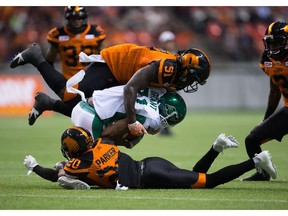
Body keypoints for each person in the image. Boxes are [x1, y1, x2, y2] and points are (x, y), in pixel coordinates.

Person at [10, 42, 211, 136]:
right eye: (193, 78)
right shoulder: (167, 68)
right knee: (69, 96)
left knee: (100, 115)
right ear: (186, 68)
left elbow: (152, 94)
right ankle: (36, 56)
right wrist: (132, 122)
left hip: (124, 77)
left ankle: (47, 103)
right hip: (114, 66)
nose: (190, 83)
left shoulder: (174, 72)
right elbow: (131, 89)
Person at [23, 126, 277, 190]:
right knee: (194, 177)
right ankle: (216, 147)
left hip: (148, 175)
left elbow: (55, 175)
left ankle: (257, 160)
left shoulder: (78, 164)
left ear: (72, 149)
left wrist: (35, 167)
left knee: (208, 182)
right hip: (151, 162)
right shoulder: (102, 142)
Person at [242, 21, 288, 181]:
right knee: (252, 140)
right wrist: (266, 118)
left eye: (277, 42)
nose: (273, 46)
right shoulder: (267, 58)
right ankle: (263, 173)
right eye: (270, 42)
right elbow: (275, 90)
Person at [69, 85, 187, 148]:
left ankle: (66, 168)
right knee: (99, 159)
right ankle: (66, 172)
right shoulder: (152, 119)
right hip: (91, 117)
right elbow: (106, 135)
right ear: (169, 111)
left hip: (85, 105)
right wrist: (127, 143)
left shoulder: (157, 89)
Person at [45, 6, 106, 79]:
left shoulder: (95, 32)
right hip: (68, 79)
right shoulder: (58, 34)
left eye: (79, 18)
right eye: (73, 19)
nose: (76, 22)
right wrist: (54, 77)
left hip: (91, 78)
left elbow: (104, 57)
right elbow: (49, 60)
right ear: (68, 19)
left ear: (84, 18)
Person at [158, 30, 177, 136]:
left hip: (171, 86)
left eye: (171, 41)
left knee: (169, 108)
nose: (170, 44)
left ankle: (166, 128)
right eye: (168, 41)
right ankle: (162, 128)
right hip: (160, 86)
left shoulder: (174, 55)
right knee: (161, 107)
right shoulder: (158, 54)